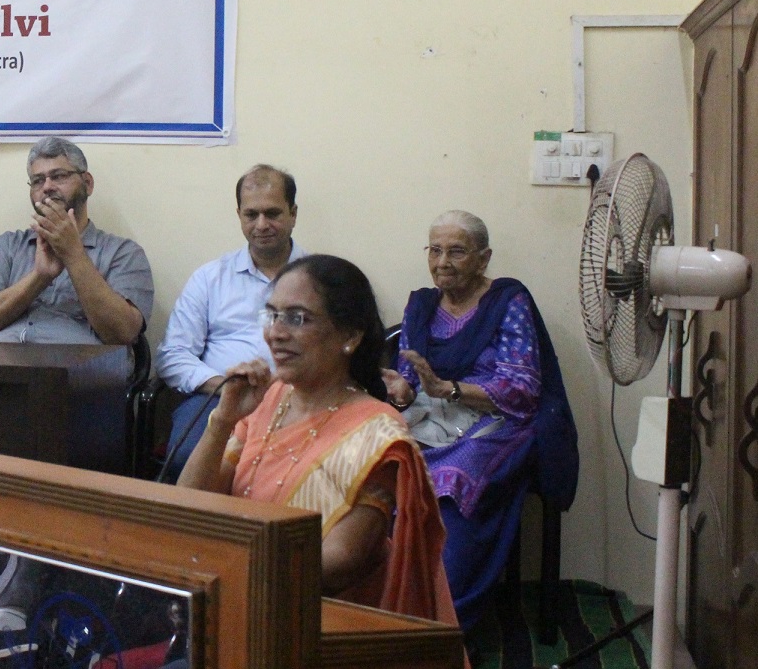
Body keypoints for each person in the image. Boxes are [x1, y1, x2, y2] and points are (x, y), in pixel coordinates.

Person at [178, 254, 458, 626]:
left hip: (314, 622)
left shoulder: (376, 430)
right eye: (272, 315)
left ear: (350, 336)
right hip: (232, 598)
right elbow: (187, 507)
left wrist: (229, 572)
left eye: (297, 318)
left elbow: (342, 562)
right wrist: (221, 422)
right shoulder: (267, 399)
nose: (275, 333)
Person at [382, 211, 578, 634]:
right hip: (433, 416)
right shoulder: (421, 304)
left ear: (483, 258)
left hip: (500, 418)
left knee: (455, 477)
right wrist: (400, 389)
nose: (442, 262)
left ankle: (446, 620)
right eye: (435, 250)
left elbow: (522, 390)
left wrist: (449, 388)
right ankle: (391, 607)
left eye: (456, 251)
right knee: (383, 459)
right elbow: (410, 380)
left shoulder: (508, 301)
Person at [155, 165, 307, 477]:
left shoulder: (321, 281)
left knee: (299, 471)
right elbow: (173, 355)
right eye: (251, 215)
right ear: (239, 215)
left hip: (301, 400)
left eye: (272, 213)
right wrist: (226, 386)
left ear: (293, 214)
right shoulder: (209, 278)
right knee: (187, 460)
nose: (261, 225)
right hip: (216, 400)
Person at [0, 137, 152, 345]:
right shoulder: (5, 247)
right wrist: (39, 277)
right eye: (38, 180)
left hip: (79, 364)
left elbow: (123, 334)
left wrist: (74, 255)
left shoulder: (123, 253)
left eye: (58, 176)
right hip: (2, 362)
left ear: (87, 184)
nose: (47, 187)